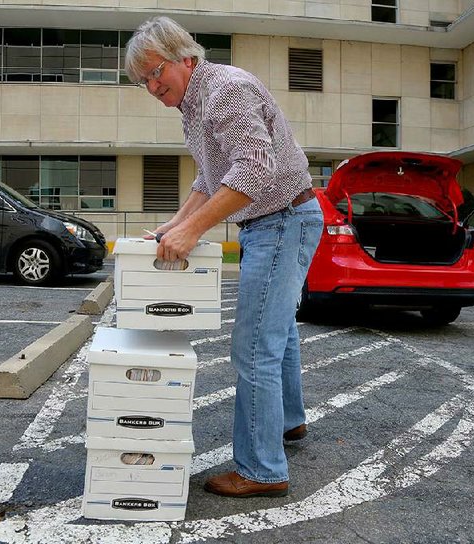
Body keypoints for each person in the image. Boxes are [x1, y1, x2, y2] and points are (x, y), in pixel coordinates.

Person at [125, 16, 323, 498]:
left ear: (185, 58)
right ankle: (289, 422)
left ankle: (260, 470)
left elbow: (254, 171)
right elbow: (208, 179)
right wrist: (174, 225)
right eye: (143, 81)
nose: (152, 87)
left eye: (156, 73)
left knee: (254, 345)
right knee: (278, 335)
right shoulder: (195, 105)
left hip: (280, 221)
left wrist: (193, 231)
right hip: (278, 221)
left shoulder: (226, 92)